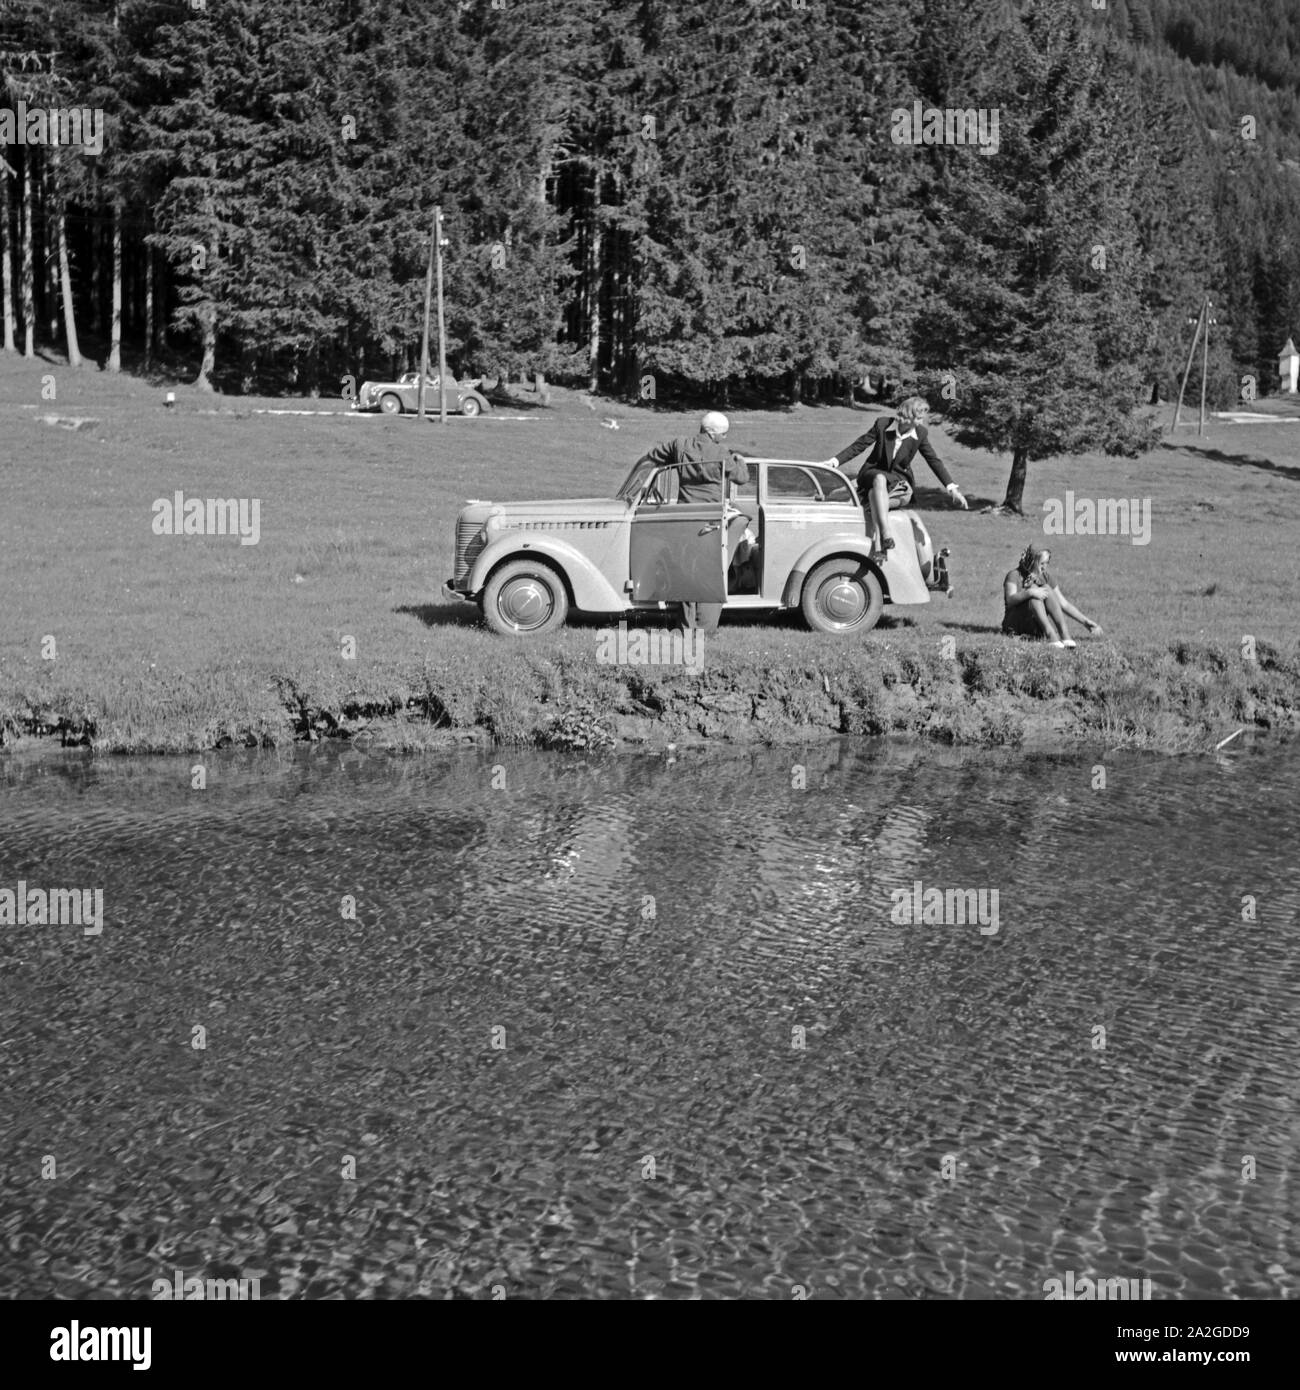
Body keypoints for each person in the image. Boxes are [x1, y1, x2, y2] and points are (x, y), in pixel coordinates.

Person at [635, 412, 751, 632]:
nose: (724, 437)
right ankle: (705, 627)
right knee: (709, 574)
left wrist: (677, 461)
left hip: (685, 517)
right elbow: (742, 478)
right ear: (712, 432)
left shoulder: (680, 445)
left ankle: (684, 627)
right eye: (723, 434)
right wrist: (740, 460)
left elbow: (653, 455)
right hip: (711, 520)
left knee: (686, 573)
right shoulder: (721, 453)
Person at [821, 396, 967, 559]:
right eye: (918, 418)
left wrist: (952, 489)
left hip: (897, 480)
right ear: (907, 416)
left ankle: (879, 548)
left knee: (873, 496)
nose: (920, 422)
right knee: (879, 480)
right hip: (872, 474)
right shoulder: (883, 424)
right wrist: (834, 462)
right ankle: (886, 533)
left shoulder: (920, 433)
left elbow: (934, 460)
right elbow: (859, 445)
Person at [1002, 544, 1103, 648]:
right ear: (1032, 561)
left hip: (1034, 626)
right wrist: (1030, 592)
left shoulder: (1045, 577)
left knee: (1046, 588)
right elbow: (1010, 600)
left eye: (1047, 563)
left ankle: (1064, 634)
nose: (1045, 567)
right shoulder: (1014, 575)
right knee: (1035, 595)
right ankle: (1051, 635)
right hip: (1016, 624)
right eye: (1041, 563)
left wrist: (1085, 622)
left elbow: (1063, 604)